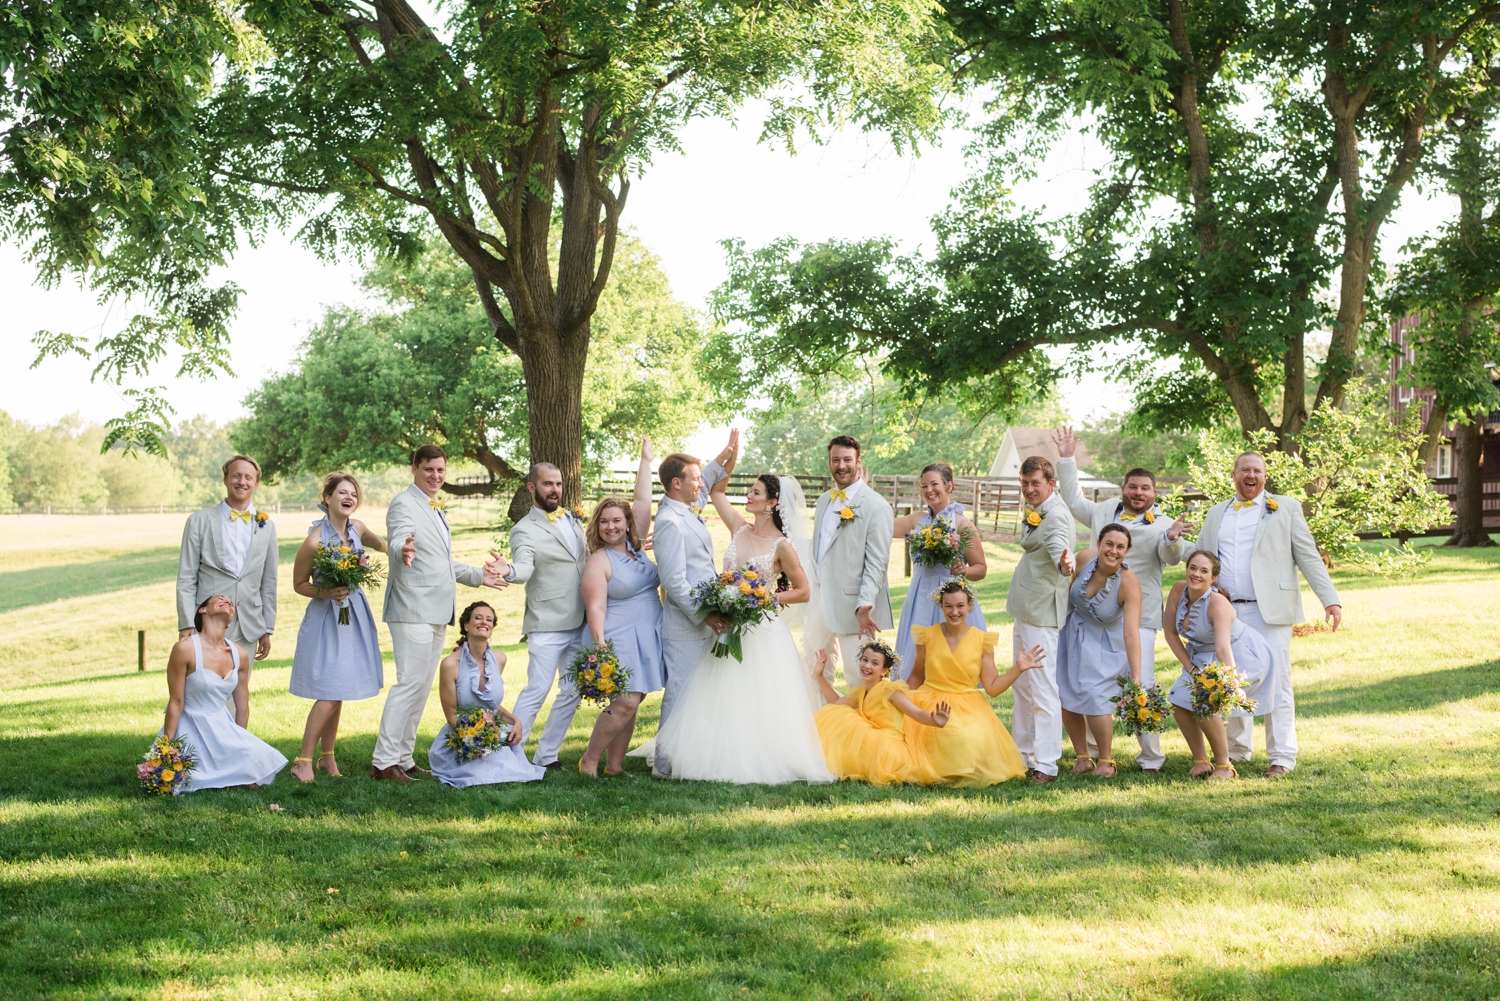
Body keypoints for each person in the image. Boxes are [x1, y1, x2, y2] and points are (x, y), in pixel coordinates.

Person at [653, 472, 835, 784]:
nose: (749, 496)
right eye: (750, 491)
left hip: (762, 630)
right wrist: (726, 458)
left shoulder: (782, 545)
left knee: (759, 693)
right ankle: (712, 751)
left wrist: (766, 597)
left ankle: (760, 754)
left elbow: (803, 590)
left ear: (772, 503)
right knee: (720, 691)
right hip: (728, 626)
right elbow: (717, 491)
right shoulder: (739, 528)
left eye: (756, 492)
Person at [1192, 451, 1342, 777]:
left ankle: (1282, 756)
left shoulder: (1285, 507)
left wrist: (1330, 600)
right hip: (1227, 612)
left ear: (1265, 476)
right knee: (1231, 678)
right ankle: (1236, 750)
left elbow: (1307, 555)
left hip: (1270, 611)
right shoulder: (1217, 512)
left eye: (1257, 471)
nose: (1252, 475)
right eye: (1245, 469)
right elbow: (1200, 555)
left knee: (1278, 682)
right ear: (1234, 474)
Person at [1053, 427, 1192, 773]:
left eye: (1145, 488)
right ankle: (1087, 754)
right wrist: (1067, 459)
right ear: (1124, 489)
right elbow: (1072, 501)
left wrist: (1173, 539)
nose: (1138, 493)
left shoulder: (1163, 524)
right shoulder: (1103, 512)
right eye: (1133, 487)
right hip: (1090, 614)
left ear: (1154, 493)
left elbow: (1173, 554)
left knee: (1140, 682)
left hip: (1137, 618)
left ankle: (1151, 758)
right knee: (1083, 682)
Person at [372, 445, 508, 782]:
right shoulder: (405, 503)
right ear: (414, 468)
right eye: (429, 469)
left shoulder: (435, 507)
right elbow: (399, 536)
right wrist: (401, 546)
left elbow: (441, 563)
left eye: (441, 470)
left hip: (435, 610)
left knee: (420, 687)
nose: (435, 476)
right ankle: (382, 762)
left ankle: (403, 758)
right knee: (409, 684)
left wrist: (480, 575)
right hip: (412, 606)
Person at [287, 473, 389, 783]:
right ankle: (302, 760)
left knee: (339, 689)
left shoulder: (357, 529)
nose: (349, 497)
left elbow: (383, 545)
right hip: (326, 619)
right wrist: (327, 592)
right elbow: (298, 585)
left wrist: (398, 550)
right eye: (342, 492)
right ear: (328, 498)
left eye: (354, 494)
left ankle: (326, 758)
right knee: (330, 691)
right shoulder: (315, 539)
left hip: (353, 615)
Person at [904, 580, 1045, 786]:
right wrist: (904, 701)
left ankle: (955, 767)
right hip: (931, 698)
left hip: (968, 703)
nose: (954, 612)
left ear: (969, 605)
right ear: (941, 606)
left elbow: (993, 688)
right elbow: (916, 676)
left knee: (964, 735)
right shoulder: (926, 636)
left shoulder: (982, 641)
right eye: (948, 606)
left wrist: (1018, 669)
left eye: (960, 605)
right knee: (933, 732)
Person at [577, 438, 663, 777]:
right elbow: (595, 606)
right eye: (604, 522)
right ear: (596, 526)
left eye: (616, 520)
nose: (611, 526)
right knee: (625, 701)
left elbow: (642, 499)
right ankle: (590, 760)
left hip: (647, 632)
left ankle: (614, 766)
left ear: (626, 522)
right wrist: (600, 646)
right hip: (617, 635)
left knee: (634, 700)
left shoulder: (636, 546)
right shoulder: (599, 560)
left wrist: (646, 460)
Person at [649, 448, 732, 779]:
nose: (701, 484)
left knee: (698, 694)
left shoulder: (686, 507)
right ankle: (664, 764)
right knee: (680, 693)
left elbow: (709, 478)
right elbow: (673, 581)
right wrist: (707, 616)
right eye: (694, 479)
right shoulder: (669, 521)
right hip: (684, 626)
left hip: (701, 624)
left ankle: (691, 755)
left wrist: (727, 453)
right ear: (675, 483)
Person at [1164, 551, 1280, 780]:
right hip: (1200, 655)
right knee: (1178, 701)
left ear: (1213, 577)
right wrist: (1191, 668)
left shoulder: (1217, 603)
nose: (1196, 574)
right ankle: (1201, 762)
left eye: (1204, 571)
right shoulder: (1178, 590)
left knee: (1205, 702)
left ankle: (1225, 766)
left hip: (1239, 653)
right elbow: (1169, 633)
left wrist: (1232, 682)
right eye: (1192, 568)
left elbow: (1223, 649)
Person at [505, 462, 591, 770]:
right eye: (547, 484)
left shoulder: (572, 518)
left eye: (557, 484)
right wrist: (508, 571)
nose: (554, 489)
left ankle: (546, 756)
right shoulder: (523, 530)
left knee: (573, 690)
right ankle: (510, 755)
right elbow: (524, 567)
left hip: (581, 620)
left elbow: (585, 558)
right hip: (547, 622)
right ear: (532, 487)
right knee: (537, 690)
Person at [159, 595, 287, 791]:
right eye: (220, 598)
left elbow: (242, 707)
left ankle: (230, 766)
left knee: (260, 763)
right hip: (190, 725)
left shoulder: (240, 654)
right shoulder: (184, 649)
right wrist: (165, 749)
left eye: (230, 603)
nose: (227, 601)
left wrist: (239, 748)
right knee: (184, 777)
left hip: (222, 725)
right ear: (202, 610)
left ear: (230, 621)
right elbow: (175, 702)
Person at [1005, 455, 1076, 784]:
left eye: (1036, 483)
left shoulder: (1056, 515)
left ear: (1051, 484)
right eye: (1025, 483)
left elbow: (1060, 549)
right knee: (1022, 684)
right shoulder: (1039, 510)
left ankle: (1046, 764)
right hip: (1026, 609)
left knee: (1043, 687)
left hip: (1042, 613)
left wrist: (1066, 565)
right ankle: (1022, 754)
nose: (1029, 489)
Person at [1055, 524, 1143, 778]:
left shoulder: (1129, 583)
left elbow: (1131, 632)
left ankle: (1106, 760)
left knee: (1095, 698)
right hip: (1072, 635)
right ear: (1099, 542)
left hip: (1105, 645)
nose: (1113, 551)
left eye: (1120, 547)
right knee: (1066, 694)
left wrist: (1136, 674)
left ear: (1126, 551)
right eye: (1109, 544)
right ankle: (1082, 757)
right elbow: (1065, 591)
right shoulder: (1084, 559)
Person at [176, 455, 278, 672]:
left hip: (248, 624)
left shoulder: (266, 526)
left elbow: (269, 581)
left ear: (256, 484)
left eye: (248, 477)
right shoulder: (199, 521)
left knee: (239, 693)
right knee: (202, 690)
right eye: (236, 476)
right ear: (225, 480)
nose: (242, 482)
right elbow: (186, 577)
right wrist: (186, 623)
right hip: (207, 623)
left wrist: (266, 627)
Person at [428, 601, 545, 787]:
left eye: (489, 619)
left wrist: (516, 722)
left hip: (492, 732)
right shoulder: (450, 665)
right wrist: (475, 738)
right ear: (466, 625)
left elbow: (490, 705)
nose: (484, 622)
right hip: (463, 737)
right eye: (478, 618)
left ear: (492, 628)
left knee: (510, 772)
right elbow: (451, 717)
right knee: (484, 774)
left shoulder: (499, 659)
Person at [889, 462, 988, 681]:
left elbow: (981, 569)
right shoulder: (917, 520)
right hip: (920, 598)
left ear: (949, 486)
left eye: (934, 484)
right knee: (915, 660)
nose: (929, 490)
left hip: (950, 598)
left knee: (946, 664)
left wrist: (964, 570)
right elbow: (882, 525)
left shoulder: (963, 524)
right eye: (924, 486)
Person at [811, 436, 895, 689]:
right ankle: (824, 727)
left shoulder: (877, 506)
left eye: (847, 459)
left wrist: (864, 606)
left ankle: (864, 728)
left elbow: (877, 564)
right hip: (818, 603)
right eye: (835, 460)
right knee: (816, 673)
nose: (841, 465)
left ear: (858, 462)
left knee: (858, 679)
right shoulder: (824, 500)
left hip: (854, 608)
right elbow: (821, 549)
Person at [811, 641, 950, 786]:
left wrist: (934, 720)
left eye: (875, 663)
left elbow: (916, 713)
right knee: (838, 713)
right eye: (865, 660)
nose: (867, 666)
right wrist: (820, 675)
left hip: (890, 748)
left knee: (850, 721)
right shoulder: (861, 691)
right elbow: (835, 702)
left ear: (884, 671)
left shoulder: (889, 690)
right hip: (874, 743)